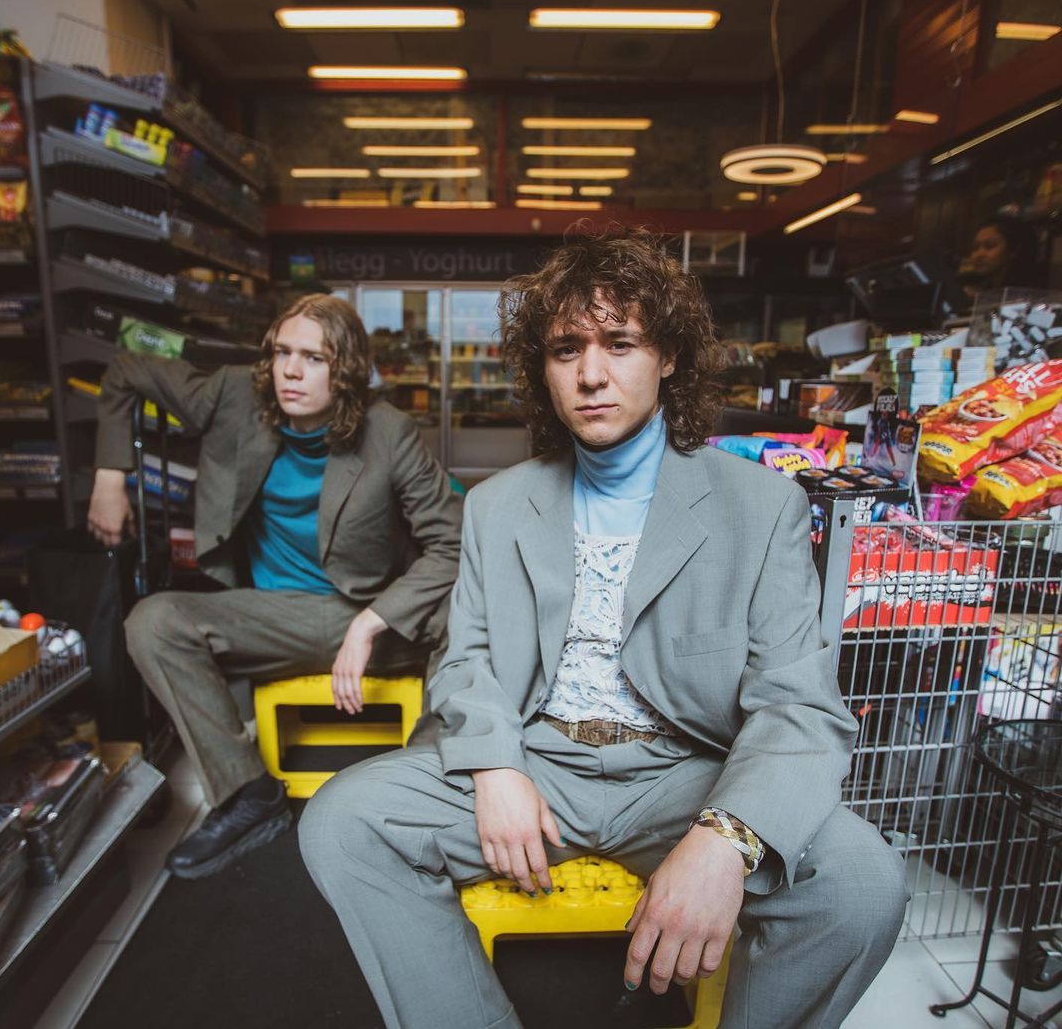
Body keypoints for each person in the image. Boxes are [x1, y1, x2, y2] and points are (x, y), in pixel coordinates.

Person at [299, 228, 907, 1029]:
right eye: (566, 350)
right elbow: (464, 657)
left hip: (684, 773)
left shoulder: (761, 507)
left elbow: (799, 705)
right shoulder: (497, 505)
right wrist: (495, 766)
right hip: (536, 760)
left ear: (669, 357)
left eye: (619, 344)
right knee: (343, 822)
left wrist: (725, 839)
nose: (591, 373)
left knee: (862, 882)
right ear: (543, 369)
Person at [87, 293, 463, 879]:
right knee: (153, 621)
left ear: (346, 370)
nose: (290, 370)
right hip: (273, 614)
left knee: (464, 612)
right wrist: (109, 477)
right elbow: (126, 369)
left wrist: (371, 622)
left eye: (313, 358)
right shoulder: (233, 394)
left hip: (364, 612)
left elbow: (452, 542)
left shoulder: (387, 431)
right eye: (283, 352)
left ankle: (422, 790)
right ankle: (248, 794)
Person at [958, 215, 1041, 300]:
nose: (978, 255)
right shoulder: (976, 287)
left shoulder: (1026, 294)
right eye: (975, 248)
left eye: (990, 246)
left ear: (1013, 250)